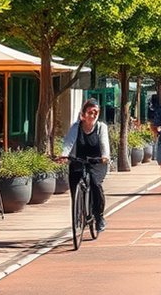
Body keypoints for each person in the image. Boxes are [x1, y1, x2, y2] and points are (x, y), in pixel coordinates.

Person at [61, 99, 111, 233]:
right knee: (74, 183)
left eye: (96, 112)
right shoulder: (76, 127)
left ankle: (99, 216)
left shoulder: (101, 127)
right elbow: (68, 143)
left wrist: (105, 156)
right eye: (90, 112)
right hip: (78, 160)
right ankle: (77, 215)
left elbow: (104, 144)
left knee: (95, 183)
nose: (93, 115)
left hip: (97, 162)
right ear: (83, 114)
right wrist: (64, 155)